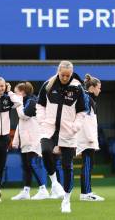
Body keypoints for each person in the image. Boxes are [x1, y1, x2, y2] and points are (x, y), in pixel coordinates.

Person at [37, 60, 87, 213]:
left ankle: (66, 200)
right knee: (45, 151)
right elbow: (40, 105)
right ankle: (54, 183)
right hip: (49, 129)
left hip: (68, 132)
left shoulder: (78, 88)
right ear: (58, 71)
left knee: (67, 167)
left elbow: (82, 112)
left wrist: (75, 127)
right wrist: (42, 120)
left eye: (68, 75)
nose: (65, 78)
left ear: (71, 73)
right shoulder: (48, 84)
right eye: (62, 75)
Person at [11, 82, 49, 201]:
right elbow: (20, 123)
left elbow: (23, 116)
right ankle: (26, 191)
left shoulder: (32, 101)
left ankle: (43, 189)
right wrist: (16, 140)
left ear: (23, 92)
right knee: (26, 165)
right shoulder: (24, 102)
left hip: (33, 138)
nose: (15, 95)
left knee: (31, 164)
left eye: (16, 92)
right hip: (25, 139)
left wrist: (17, 104)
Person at [76, 74, 104, 202]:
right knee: (87, 165)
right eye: (99, 87)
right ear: (92, 87)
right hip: (87, 138)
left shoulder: (89, 99)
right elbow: (85, 120)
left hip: (88, 137)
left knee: (88, 165)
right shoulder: (87, 98)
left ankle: (87, 192)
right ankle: (86, 193)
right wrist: (91, 137)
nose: (100, 90)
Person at [0, 77, 19, 201]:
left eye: (2, 86)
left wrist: (10, 91)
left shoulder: (8, 98)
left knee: (1, 166)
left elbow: (18, 103)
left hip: (5, 137)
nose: (0, 88)